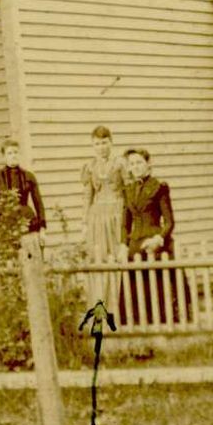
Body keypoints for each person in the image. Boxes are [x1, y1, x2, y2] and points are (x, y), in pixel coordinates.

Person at [120, 148, 189, 324]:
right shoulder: (128, 190)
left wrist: (158, 239)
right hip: (135, 242)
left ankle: (166, 320)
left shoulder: (159, 187)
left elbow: (169, 222)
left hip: (155, 241)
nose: (135, 167)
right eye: (132, 164)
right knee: (132, 285)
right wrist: (123, 244)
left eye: (139, 163)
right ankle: (137, 323)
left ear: (148, 164)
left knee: (161, 282)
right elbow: (125, 224)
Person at [80, 126, 128, 314]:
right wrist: (84, 222)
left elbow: (128, 191)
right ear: (93, 145)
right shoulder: (90, 166)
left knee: (117, 256)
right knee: (100, 257)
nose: (101, 147)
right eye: (97, 144)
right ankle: (102, 306)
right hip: (97, 218)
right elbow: (87, 196)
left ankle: (121, 307)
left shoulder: (120, 164)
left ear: (111, 142)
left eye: (104, 142)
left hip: (117, 214)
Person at [0, 138, 45, 256]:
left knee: (29, 258)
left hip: (27, 223)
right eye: (9, 153)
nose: (13, 156)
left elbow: (38, 203)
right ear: (4, 156)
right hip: (4, 225)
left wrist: (42, 229)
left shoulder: (29, 176)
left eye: (16, 152)